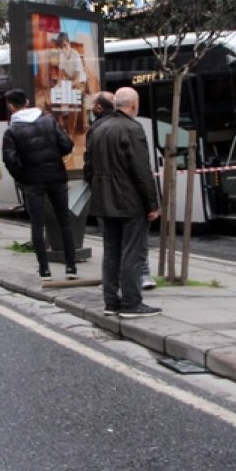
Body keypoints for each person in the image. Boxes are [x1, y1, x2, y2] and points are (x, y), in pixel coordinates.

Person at [85, 87, 161, 318]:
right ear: (134, 105)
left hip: (104, 202)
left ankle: (111, 302)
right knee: (133, 253)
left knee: (111, 252)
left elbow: (89, 168)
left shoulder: (98, 129)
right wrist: (152, 204)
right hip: (130, 202)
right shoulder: (132, 128)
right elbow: (141, 170)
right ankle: (131, 303)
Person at [1, 88, 77, 280]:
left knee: (37, 224)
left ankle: (44, 269)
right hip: (56, 177)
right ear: (27, 102)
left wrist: (23, 175)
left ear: (11, 106)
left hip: (33, 181)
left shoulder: (12, 131)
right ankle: (71, 267)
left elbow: (10, 160)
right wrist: (53, 157)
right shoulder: (49, 121)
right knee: (64, 222)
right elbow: (67, 145)